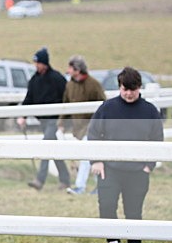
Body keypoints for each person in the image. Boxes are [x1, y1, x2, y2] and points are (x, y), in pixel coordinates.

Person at [87, 67, 164, 243]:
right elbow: (94, 134)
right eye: (125, 89)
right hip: (110, 169)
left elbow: (157, 140)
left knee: (134, 210)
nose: (129, 93)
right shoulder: (107, 108)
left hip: (138, 170)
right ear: (119, 87)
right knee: (106, 205)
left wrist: (149, 165)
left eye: (133, 89)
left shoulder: (149, 111)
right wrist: (96, 160)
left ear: (139, 87)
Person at [17, 47, 70, 190]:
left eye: (38, 63)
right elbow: (29, 99)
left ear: (44, 63)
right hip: (43, 121)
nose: (36, 66)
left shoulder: (57, 79)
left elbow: (67, 97)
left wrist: (64, 119)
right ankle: (65, 179)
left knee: (45, 145)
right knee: (53, 149)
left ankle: (40, 180)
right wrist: (23, 115)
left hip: (54, 120)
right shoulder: (34, 80)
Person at [59, 55, 106, 195]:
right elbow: (66, 105)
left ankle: (81, 186)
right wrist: (61, 123)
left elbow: (103, 105)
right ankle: (98, 186)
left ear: (77, 70)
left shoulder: (94, 85)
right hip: (78, 128)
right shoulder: (70, 85)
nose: (68, 71)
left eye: (70, 68)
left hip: (92, 127)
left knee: (87, 157)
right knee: (89, 157)